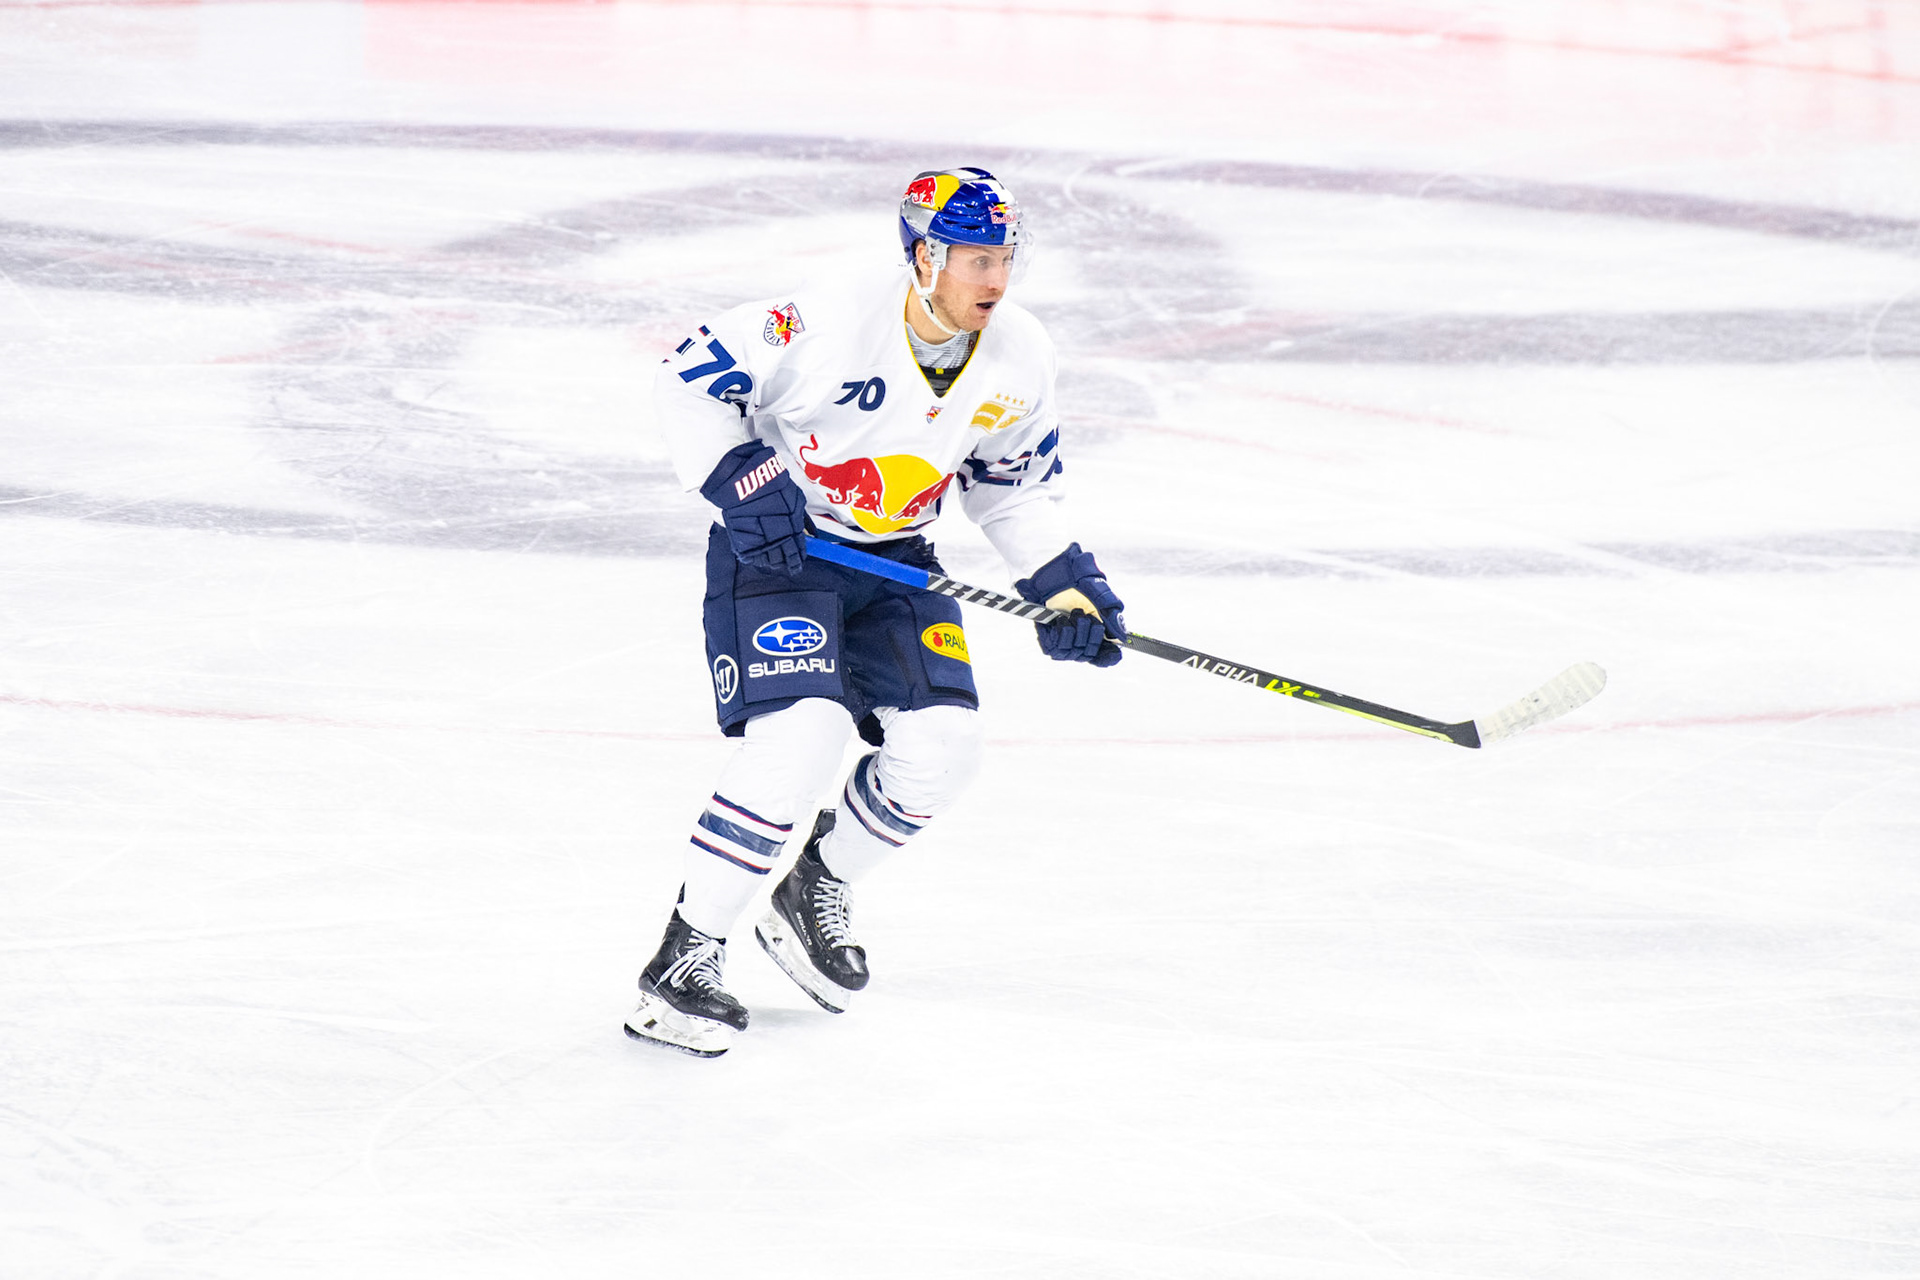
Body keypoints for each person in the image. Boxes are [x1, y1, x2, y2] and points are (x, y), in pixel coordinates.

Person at [625, 167, 1127, 1057]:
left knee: (945, 749)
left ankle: (813, 886)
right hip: (781, 559)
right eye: (976, 258)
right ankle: (683, 959)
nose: (995, 280)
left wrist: (1061, 580)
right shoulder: (821, 320)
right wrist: (741, 478)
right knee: (802, 736)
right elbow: (689, 378)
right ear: (924, 254)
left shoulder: (1021, 355)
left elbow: (1010, 488)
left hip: (898, 563)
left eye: (1004, 257)